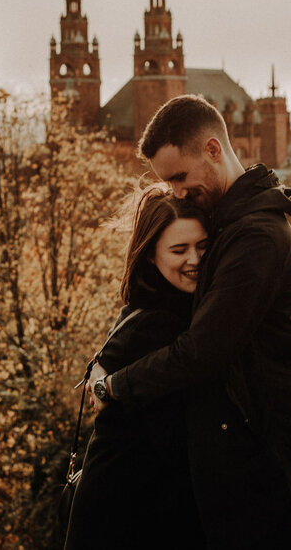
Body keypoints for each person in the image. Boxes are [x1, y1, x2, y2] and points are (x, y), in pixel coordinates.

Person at [89, 94, 291, 549]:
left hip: (280, 477)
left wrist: (114, 385)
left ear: (212, 149)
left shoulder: (256, 238)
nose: (178, 192)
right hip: (258, 474)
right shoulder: (229, 224)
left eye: (180, 177)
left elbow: (202, 351)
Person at [64, 185, 209, 550]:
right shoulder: (159, 326)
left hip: (125, 510)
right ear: (150, 256)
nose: (195, 259)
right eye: (179, 250)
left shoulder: (154, 307)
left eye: (203, 246)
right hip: (126, 519)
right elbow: (174, 443)